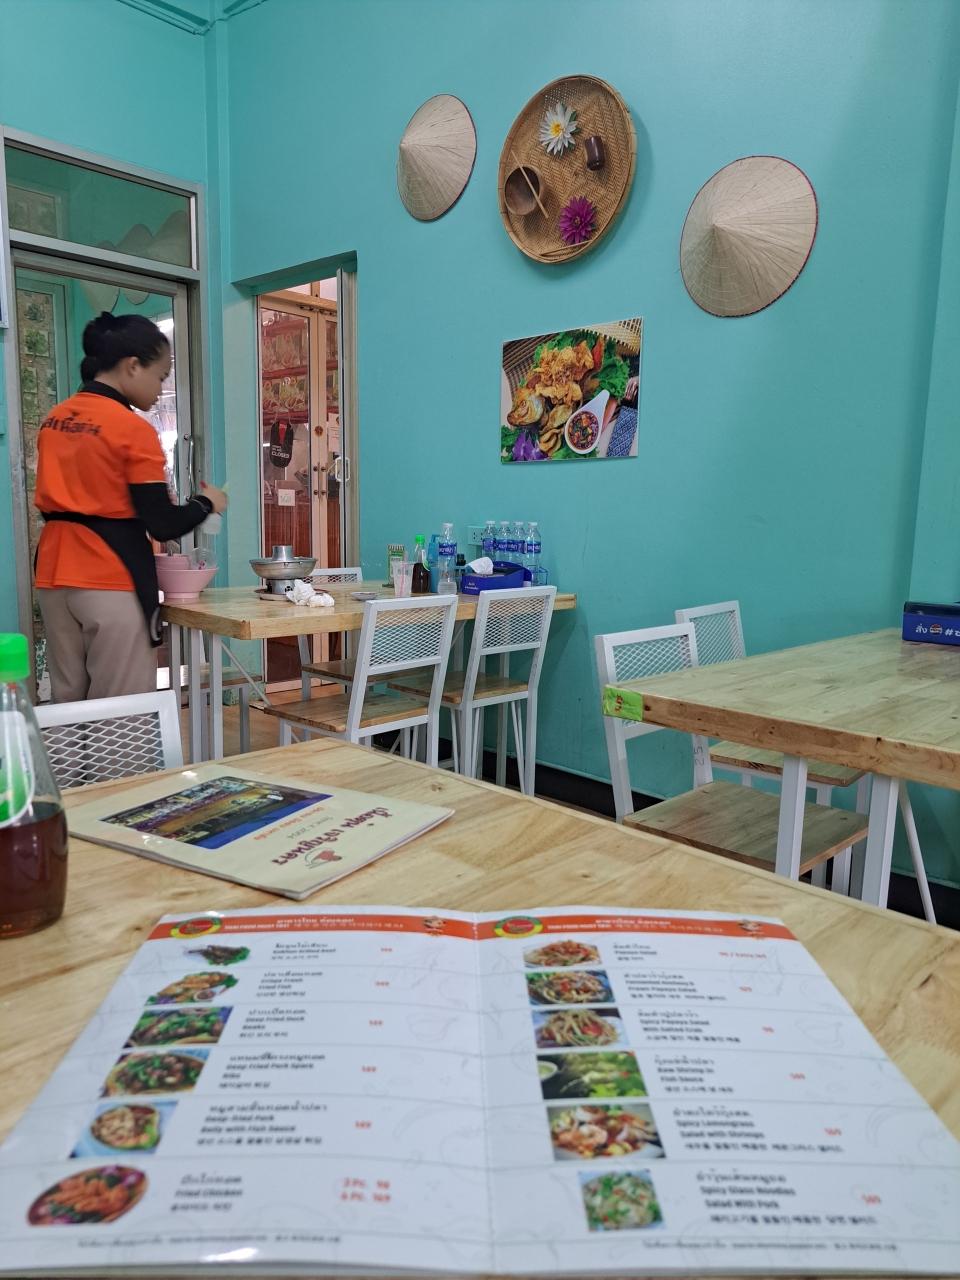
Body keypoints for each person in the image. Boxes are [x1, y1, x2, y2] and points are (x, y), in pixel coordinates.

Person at [34, 312, 228, 702]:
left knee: (66, 700)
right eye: (160, 376)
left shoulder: (55, 419)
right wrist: (207, 503)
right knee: (121, 709)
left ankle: (65, 749)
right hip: (108, 575)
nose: (161, 389)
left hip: (53, 574)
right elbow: (162, 524)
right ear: (132, 366)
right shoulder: (132, 429)